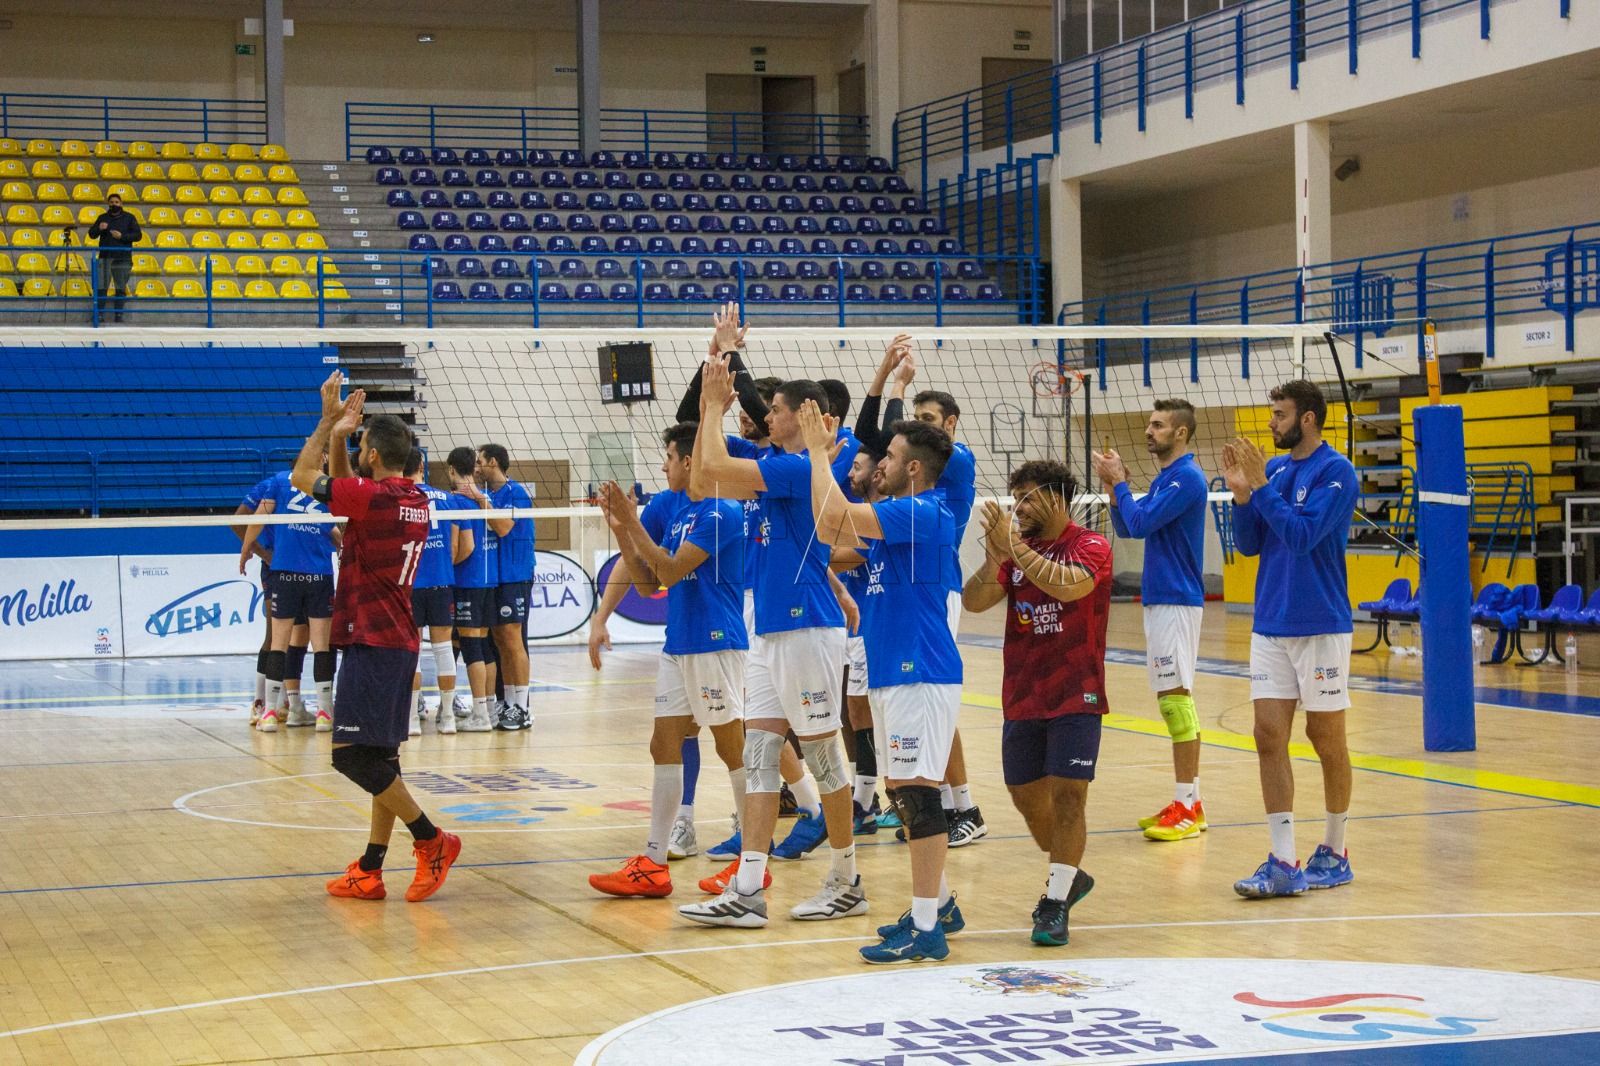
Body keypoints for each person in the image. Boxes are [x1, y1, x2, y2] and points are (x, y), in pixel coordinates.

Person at [679, 333, 865, 929]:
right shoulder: (771, 463)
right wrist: (719, 361)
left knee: (822, 754)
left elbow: (708, 465)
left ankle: (847, 879)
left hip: (805, 625)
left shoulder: (789, 468)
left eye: (777, 409)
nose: (765, 414)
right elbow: (701, 459)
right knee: (760, 754)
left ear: (803, 418)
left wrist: (715, 402)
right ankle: (750, 888)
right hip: (769, 629)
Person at [799, 404, 962, 963]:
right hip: (896, 670)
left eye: (888, 457)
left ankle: (926, 928)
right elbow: (829, 529)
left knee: (917, 793)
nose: (878, 465)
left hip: (921, 670)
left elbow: (838, 517)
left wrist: (819, 452)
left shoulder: (924, 512)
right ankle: (938, 907)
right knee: (903, 791)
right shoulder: (898, 514)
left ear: (912, 469)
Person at [297, 373, 461, 903]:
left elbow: (305, 477)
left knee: (350, 756)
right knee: (382, 761)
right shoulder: (408, 495)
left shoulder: (376, 499)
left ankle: (431, 839)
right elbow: (348, 502)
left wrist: (327, 424)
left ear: (371, 456)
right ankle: (370, 868)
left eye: (360, 448)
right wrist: (347, 436)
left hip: (374, 638)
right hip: (396, 638)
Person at [588, 423, 750, 899]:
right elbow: (644, 585)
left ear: (689, 463)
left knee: (730, 747)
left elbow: (671, 572)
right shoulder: (670, 506)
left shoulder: (722, 512)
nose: (662, 466)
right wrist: (622, 530)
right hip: (679, 642)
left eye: (669, 458)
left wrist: (632, 523)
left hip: (715, 642)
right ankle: (655, 862)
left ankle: (751, 860)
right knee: (663, 743)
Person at [962, 459, 1110, 946]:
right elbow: (974, 601)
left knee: (1070, 796)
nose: (1018, 508)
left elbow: (1070, 585)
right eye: (1015, 499)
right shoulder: (1013, 553)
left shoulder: (1090, 545)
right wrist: (991, 558)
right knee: (1026, 797)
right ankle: (1072, 874)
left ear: (1057, 499)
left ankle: (1055, 899)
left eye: (1028, 498)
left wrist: (1016, 550)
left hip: (1076, 692)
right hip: (1023, 692)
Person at [1223, 380, 1359, 898]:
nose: (1271, 423)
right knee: (1266, 736)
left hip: (1319, 624)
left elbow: (1302, 537)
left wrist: (1259, 488)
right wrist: (1242, 498)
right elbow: (1253, 542)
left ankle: (1335, 848)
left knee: (1326, 740)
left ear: (1307, 419)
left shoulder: (1336, 472)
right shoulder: (1274, 471)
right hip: (1270, 623)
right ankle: (1283, 859)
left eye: (1279, 415)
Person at [860, 343, 986, 846]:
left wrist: (894, 386)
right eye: (915, 418)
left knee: (932, 701)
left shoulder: (957, 459)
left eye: (928, 419)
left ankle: (963, 806)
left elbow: (881, 438)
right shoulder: (915, 467)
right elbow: (879, 437)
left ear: (950, 426)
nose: (917, 426)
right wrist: (891, 381)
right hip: (908, 579)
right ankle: (943, 803)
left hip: (938, 588)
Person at [1093, 399, 1210, 841]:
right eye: (1148, 423)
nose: (1149, 431)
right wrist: (1112, 488)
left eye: (1158, 425)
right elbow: (1127, 528)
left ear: (1180, 433)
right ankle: (1190, 802)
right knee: (1172, 699)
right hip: (1161, 598)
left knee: (1176, 702)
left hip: (1177, 601)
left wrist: (1121, 481)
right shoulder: (1167, 479)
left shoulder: (1187, 479)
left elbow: (1139, 523)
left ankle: (1186, 806)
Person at [238, 463, 339, 733]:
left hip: (284, 573)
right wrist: (342, 546)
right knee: (322, 646)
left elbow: (257, 516)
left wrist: (247, 548)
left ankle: (269, 712)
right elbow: (332, 529)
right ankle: (324, 713)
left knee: (279, 643)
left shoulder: (279, 482)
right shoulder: (325, 485)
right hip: (319, 575)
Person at [836, 443, 887, 834]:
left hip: (877, 626)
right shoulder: (856, 515)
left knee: (866, 712)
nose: (850, 475)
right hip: (857, 628)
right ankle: (864, 800)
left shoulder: (878, 517)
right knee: (853, 713)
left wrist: (795, 549)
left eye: (856, 467)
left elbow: (846, 555)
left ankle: (867, 800)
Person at [407, 447, 471, 736]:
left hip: (410, 584)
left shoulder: (399, 499)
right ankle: (446, 717)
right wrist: (442, 564)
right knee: (444, 650)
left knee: (412, 651)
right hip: (441, 584)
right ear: (422, 465)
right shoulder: (448, 499)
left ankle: (410, 719)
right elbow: (459, 548)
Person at [477, 443, 535, 730]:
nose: (476, 468)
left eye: (480, 462)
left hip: (516, 574)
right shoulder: (489, 494)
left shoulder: (517, 493)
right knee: (501, 642)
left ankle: (523, 707)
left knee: (513, 640)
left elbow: (504, 527)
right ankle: (510, 703)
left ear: (494, 463)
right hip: (495, 577)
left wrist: (480, 501)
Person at [446, 446, 496, 732]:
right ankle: (485, 708)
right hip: (485, 581)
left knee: (470, 646)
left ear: (452, 469)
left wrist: (447, 569)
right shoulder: (484, 498)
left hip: (464, 582)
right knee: (473, 645)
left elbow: (464, 547)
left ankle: (480, 714)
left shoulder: (455, 501)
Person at [84, 192, 140, 322]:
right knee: (101, 287)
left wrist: (122, 237)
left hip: (123, 258)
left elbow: (138, 235)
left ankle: (118, 315)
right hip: (105, 257)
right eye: (111, 202)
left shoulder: (129, 218)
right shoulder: (102, 217)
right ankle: (99, 315)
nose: (114, 204)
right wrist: (99, 228)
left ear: (121, 204)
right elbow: (91, 234)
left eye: (116, 202)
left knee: (120, 288)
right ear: (108, 204)